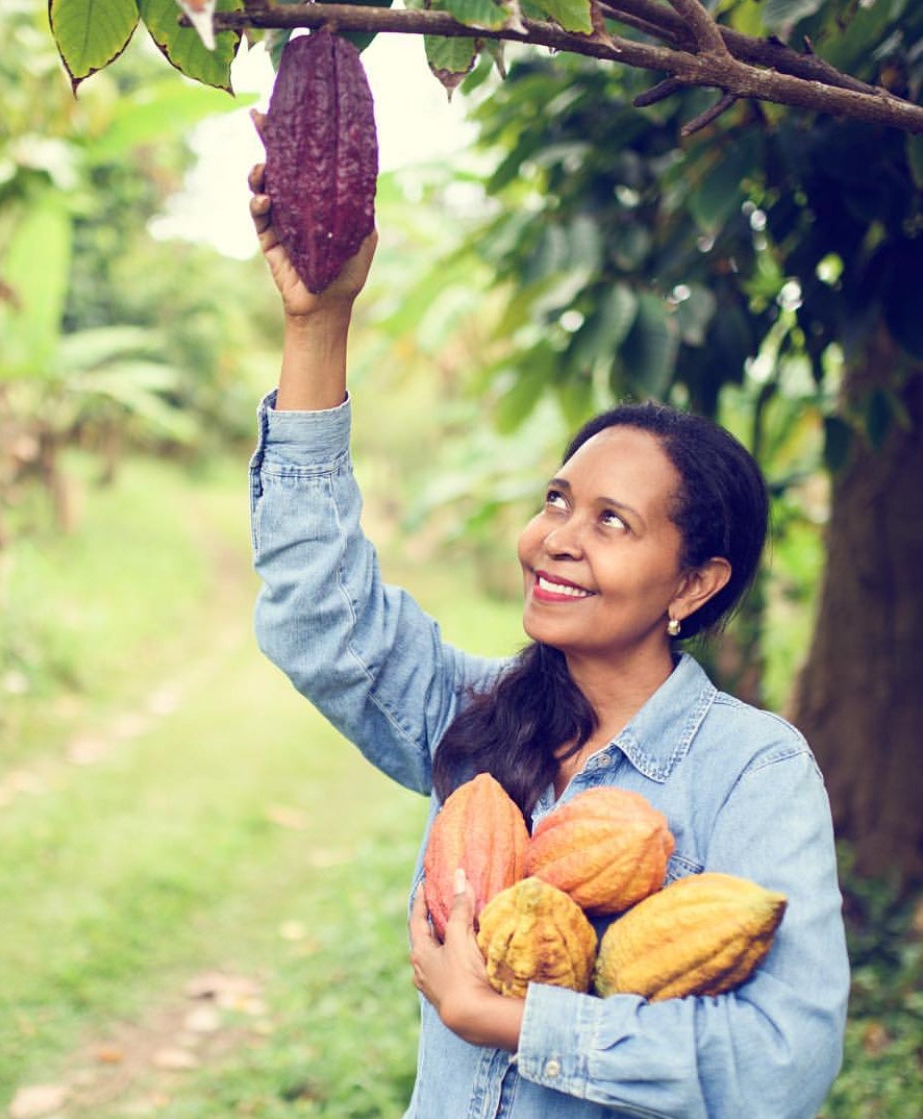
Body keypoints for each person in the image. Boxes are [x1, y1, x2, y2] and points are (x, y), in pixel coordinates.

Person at [247, 165, 849, 1119]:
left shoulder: (750, 771)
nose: (555, 537)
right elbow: (319, 617)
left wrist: (511, 1021)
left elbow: (783, 1062)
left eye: (613, 521)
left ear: (694, 583)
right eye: (558, 500)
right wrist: (317, 324)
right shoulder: (478, 718)